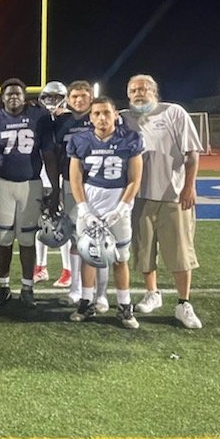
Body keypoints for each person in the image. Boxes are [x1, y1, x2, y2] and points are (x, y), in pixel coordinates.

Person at [121, 74, 204, 329]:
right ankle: (152, 293)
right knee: (144, 251)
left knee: (180, 252)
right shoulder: (123, 118)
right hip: (140, 196)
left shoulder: (174, 113)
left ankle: (183, 303)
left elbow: (192, 155)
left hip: (173, 195)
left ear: (155, 92)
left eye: (144, 89)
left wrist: (189, 187)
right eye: (134, 89)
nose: (139, 93)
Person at [0, 78, 59, 308]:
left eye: (18, 94)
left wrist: (55, 186)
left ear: (25, 97)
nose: (14, 97)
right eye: (9, 94)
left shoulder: (39, 117)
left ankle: (27, 286)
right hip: (2, 183)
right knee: (3, 238)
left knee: (26, 238)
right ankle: (3, 286)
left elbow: (49, 154)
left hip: (30, 183)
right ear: (2, 98)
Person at [66, 96, 143, 328]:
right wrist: (83, 209)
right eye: (97, 113)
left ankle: (124, 305)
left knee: (120, 258)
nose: (102, 118)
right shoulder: (81, 140)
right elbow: (76, 178)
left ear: (115, 115)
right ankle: (86, 302)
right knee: (88, 255)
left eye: (106, 113)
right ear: (90, 117)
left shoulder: (130, 139)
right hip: (90, 202)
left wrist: (120, 208)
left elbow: (135, 179)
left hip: (117, 202)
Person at [53, 80, 110, 311]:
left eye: (83, 96)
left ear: (91, 97)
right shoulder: (62, 122)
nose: (79, 100)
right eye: (74, 96)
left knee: (101, 239)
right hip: (70, 184)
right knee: (77, 238)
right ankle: (75, 290)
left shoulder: (98, 117)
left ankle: (101, 294)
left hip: (100, 185)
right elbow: (56, 154)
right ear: (68, 99)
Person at [34, 81, 73, 287]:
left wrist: (58, 184)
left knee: (63, 224)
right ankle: (41, 267)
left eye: (55, 98)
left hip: (63, 177)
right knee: (42, 223)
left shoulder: (70, 120)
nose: (51, 102)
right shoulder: (41, 120)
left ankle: (68, 269)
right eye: (48, 97)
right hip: (42, 176)